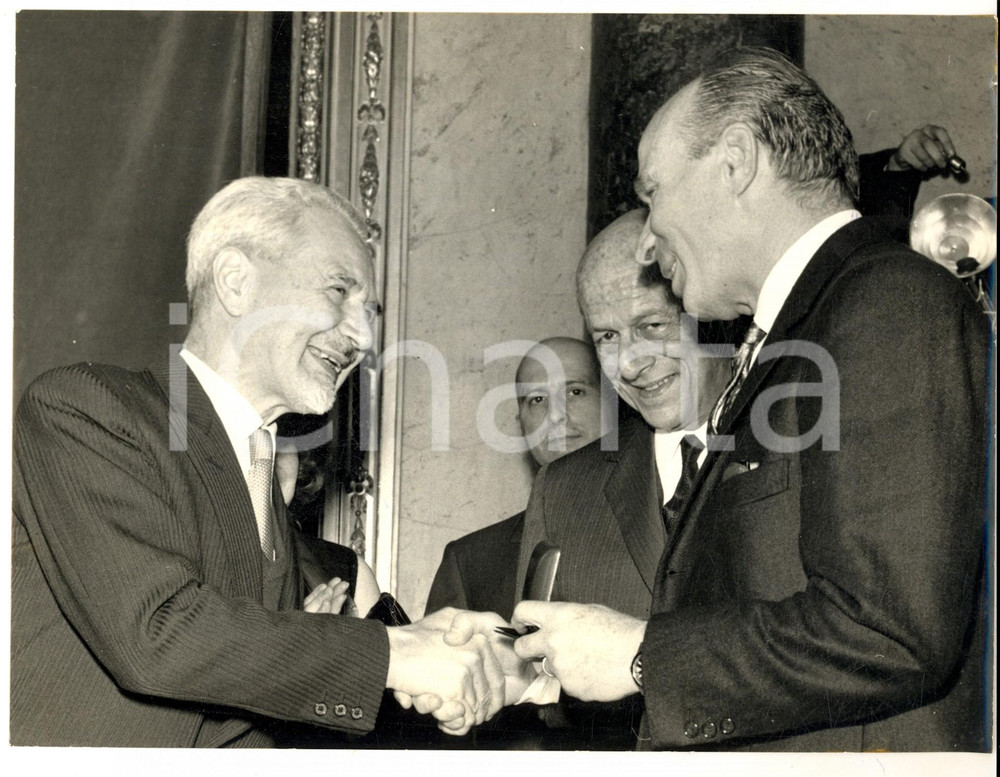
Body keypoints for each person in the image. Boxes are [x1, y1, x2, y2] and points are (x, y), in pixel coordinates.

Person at [504, 47, 989, 751]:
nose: (646, 243)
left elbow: (888, 627)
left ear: (734, 162)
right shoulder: (804, 328)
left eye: (652, 196)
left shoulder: (884, 302)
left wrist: (642, 655)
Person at [11, 176, 516, 747]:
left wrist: (462, 652)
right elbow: (156, 634)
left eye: (369, 310)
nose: (363, 336)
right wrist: (395, 655)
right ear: (235, 282)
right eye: (338, 292)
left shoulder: (260, 474)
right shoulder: (87, 410)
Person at [425, 336, 610, 620]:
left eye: (575, 391)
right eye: (537, 400)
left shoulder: (671, 526)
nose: (556, 415)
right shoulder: (470, 563)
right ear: (521, 423)